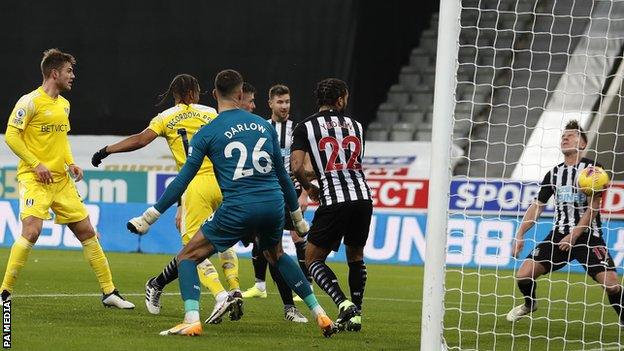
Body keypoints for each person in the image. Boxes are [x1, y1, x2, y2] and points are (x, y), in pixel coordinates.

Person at [127, 69, 336, 337]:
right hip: (272, 203)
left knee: (187, 258)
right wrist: (297, 218)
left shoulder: (207, 132)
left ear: (214, 94)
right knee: (277, 255)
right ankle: (320, 312)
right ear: (240, 94)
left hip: (239, 205)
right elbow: (284, 175)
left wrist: (150, 217)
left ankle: (192, 318)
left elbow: (182, 180)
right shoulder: (263, 126)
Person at [91, 74, 242, 322]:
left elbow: (140, 140)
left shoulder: (166, 117)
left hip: (193, 185)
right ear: (196, 92)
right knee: (224, 239)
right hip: (223, 182)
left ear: (174, 95)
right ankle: (234, 287)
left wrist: (106, 150)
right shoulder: (210, 112)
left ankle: (220, 295)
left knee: (192, 246)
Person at [0, 48, 134, 309]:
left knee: (87, 231)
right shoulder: (29, 102)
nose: (73, 76)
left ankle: (109, 292)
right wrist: (35, 163)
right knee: (32, 230)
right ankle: (5, 292)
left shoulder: (64, 104)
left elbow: (61, 141)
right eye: (69, 71)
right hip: (34, 178)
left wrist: (71, 163)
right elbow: (12, 136)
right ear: (54, 73)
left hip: (61, 180)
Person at [507, 120, 624, 325]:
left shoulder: (593, 170)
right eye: (563, 135)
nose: (565, 138)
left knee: (612, 285)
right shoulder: (553, 173)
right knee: (523, 276)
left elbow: (593, 207)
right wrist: (520, 234)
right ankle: (530, 303)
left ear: (582, 143)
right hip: (559, 235)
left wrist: (574, 235)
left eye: (571, 135)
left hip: (588, 237)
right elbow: (537, 206)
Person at [290, 78, 372, 332]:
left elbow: (297, 167)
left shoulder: (305, 127)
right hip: (362, 197)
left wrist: (310, 187)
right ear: (340, 99)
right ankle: (357, 315)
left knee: (312, 258)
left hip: (334, 199)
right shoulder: (357, 126)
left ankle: (343, 303)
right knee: (355, 256)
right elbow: (348, 162)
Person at [242, 84, 312, 323]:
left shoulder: (298, 129)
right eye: (280, 102)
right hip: (266, 196)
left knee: (288, 242)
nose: (285, 106)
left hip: (290, 195)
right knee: (267, 246)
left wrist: (303, 195)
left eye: (288, 102)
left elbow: (306, 165)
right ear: (270, 103)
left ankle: (301, 289)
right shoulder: (261, 128)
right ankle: (264, 288)